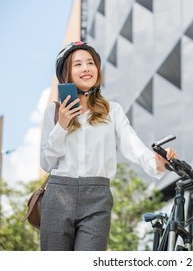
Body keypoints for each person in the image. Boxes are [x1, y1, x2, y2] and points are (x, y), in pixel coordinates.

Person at [40, 41, 178, 251]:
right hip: (59, 195)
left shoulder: (112, 111)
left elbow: (132, 144)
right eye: (77, 64)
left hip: (98, 197)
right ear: (66, 73)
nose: (86, 68)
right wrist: (62, 125)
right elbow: (46, 162)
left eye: (90, 63)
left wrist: (155, 163)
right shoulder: (54, 111)